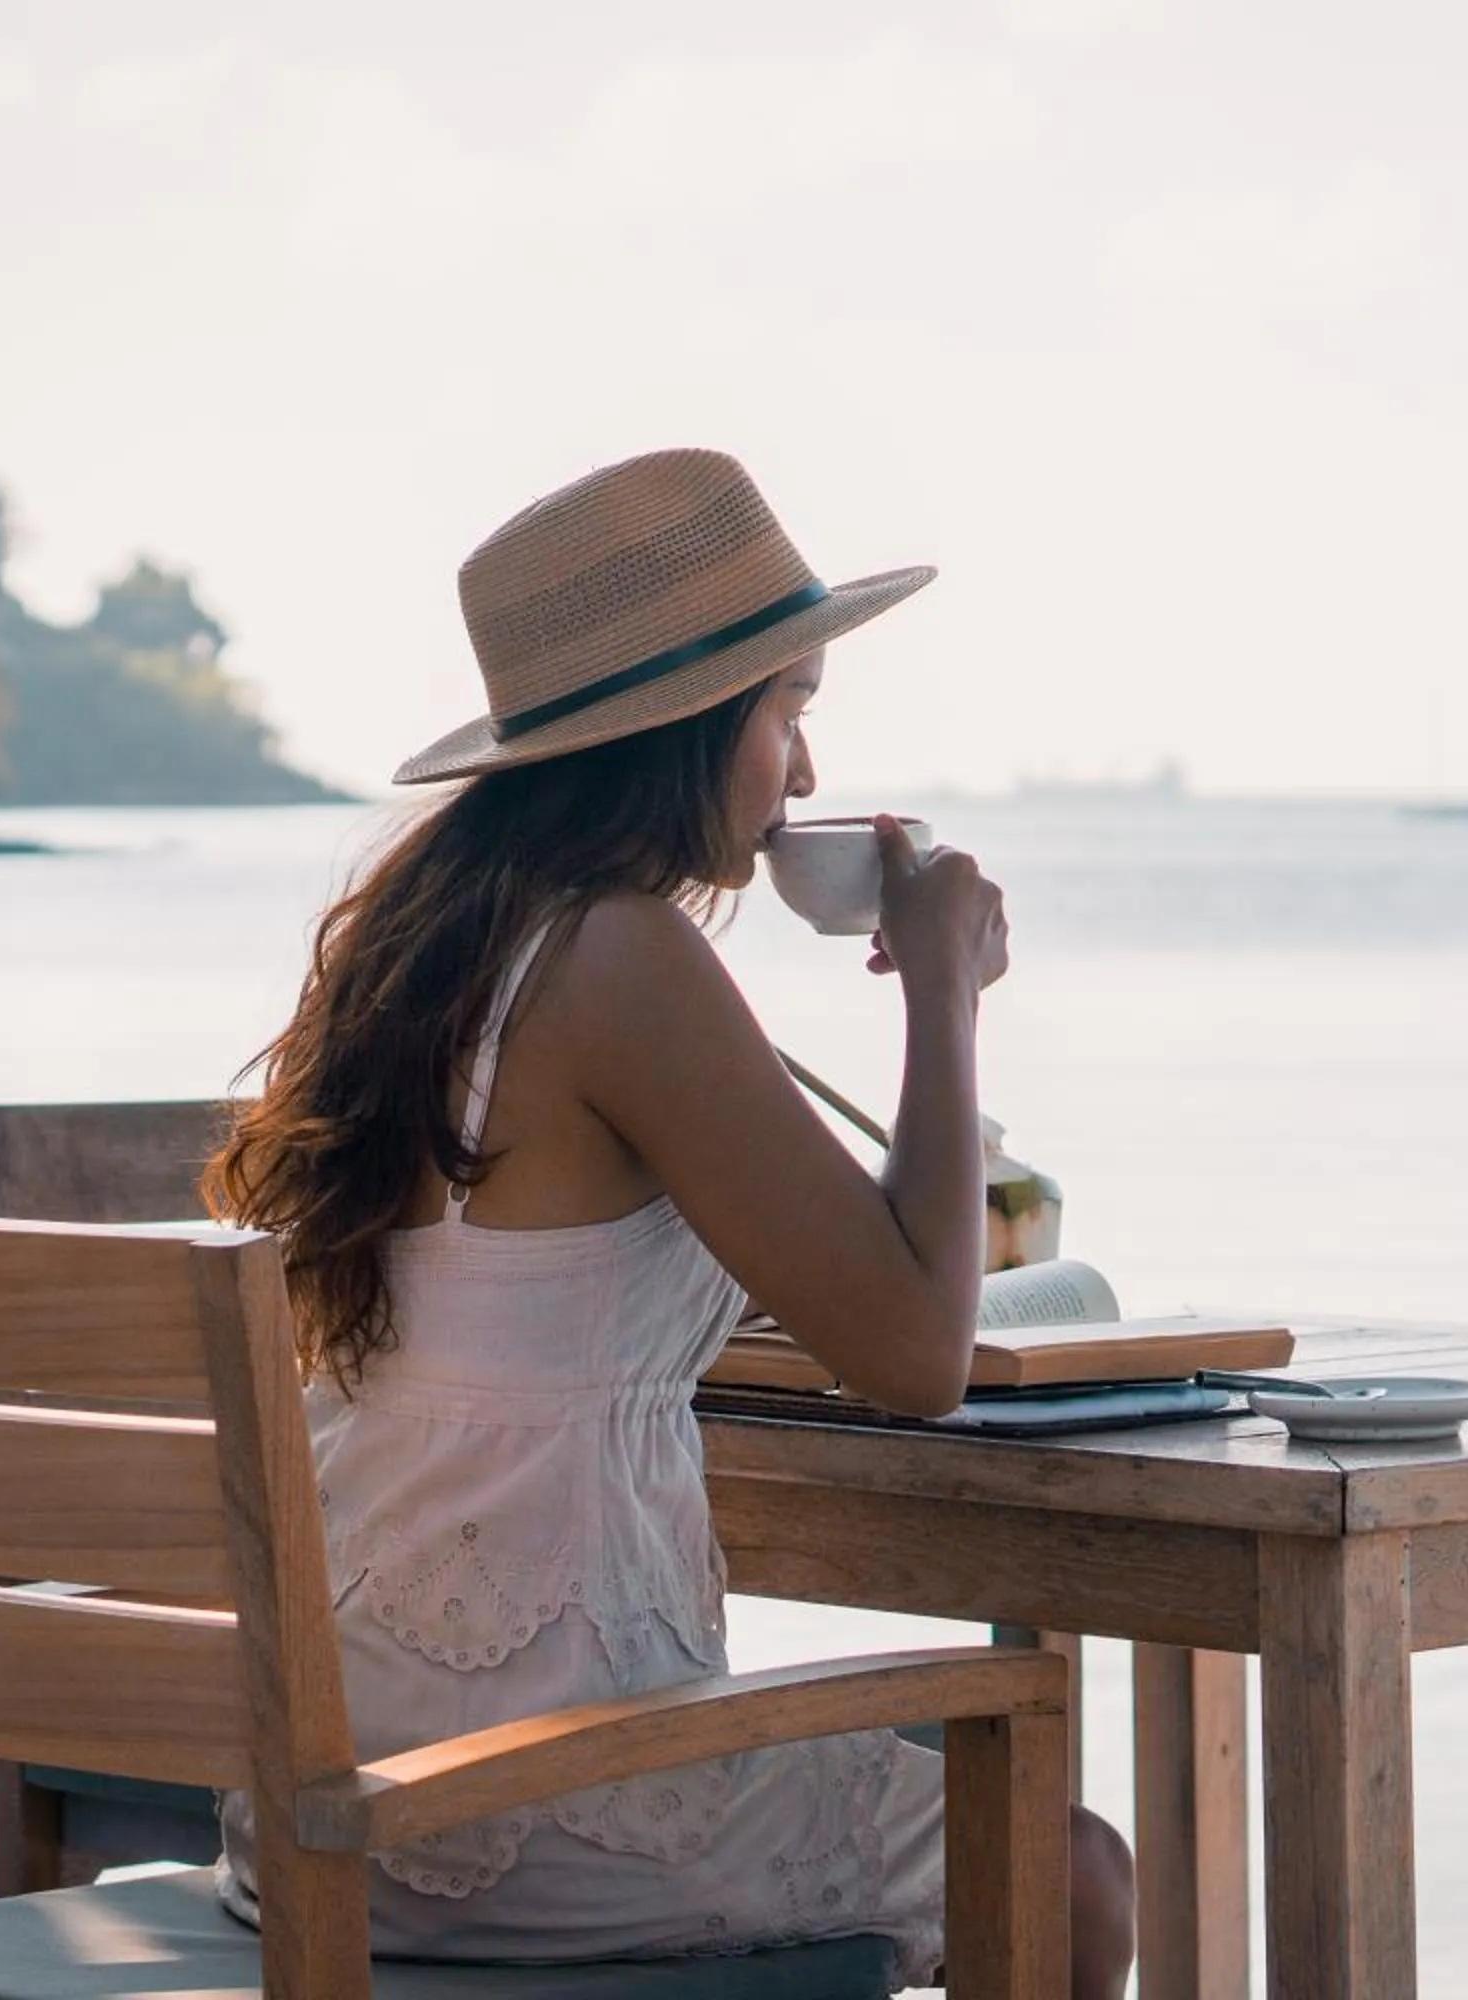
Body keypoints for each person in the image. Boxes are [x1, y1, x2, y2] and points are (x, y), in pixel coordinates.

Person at [206, 448, 1136, 1995]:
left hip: (313, 1791)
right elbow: (916, 1355)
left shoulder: (429, 951)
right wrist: (946, 998)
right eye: (793, 713)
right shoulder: (625, 961)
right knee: (1071, 1866)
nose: (809, 775)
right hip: (518, 1807)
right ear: (689, 730)